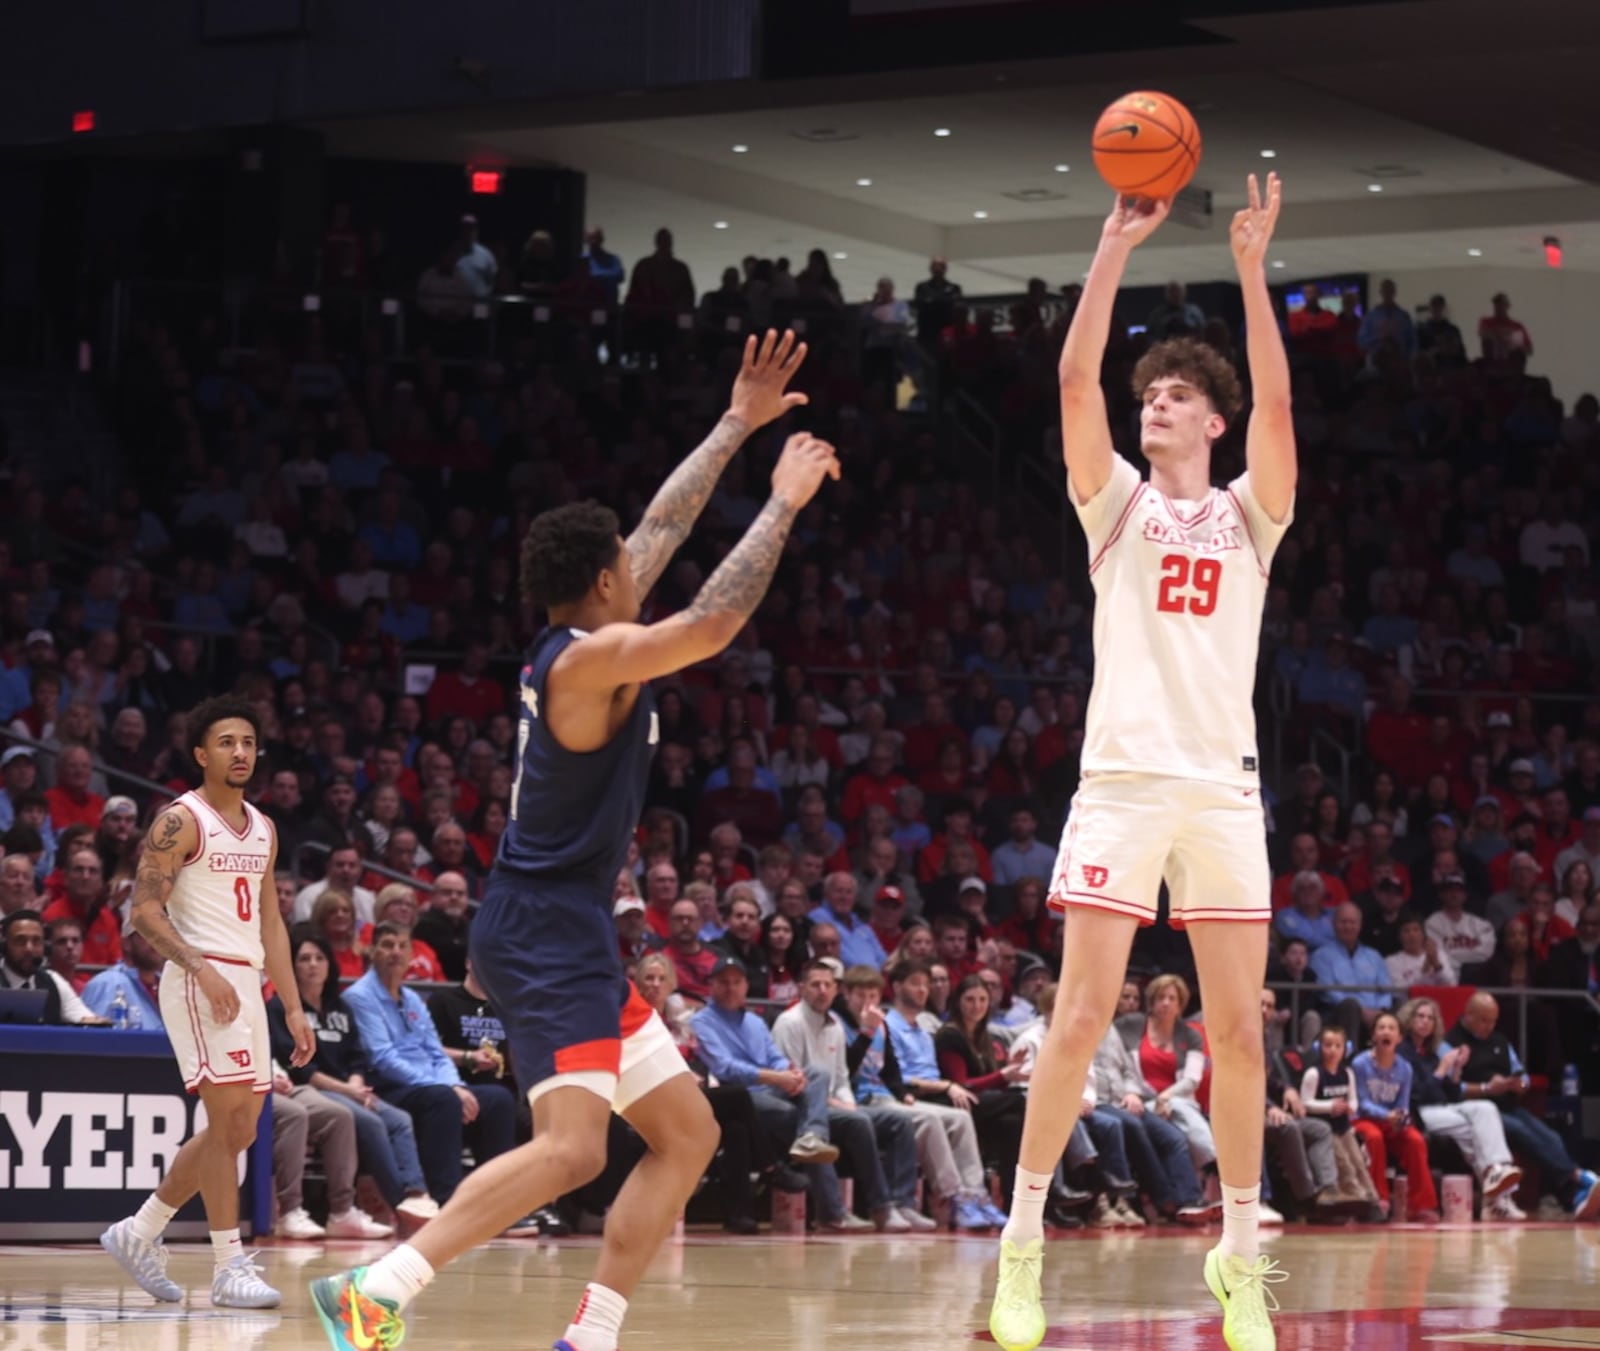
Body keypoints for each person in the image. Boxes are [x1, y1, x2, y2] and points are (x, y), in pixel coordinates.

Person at [312, 331, 837, 1351]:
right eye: (625, 567)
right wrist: (780, 501)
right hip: (544, 928)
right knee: (570, 1149)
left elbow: (664, 520)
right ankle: (380, 1285)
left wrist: (736, 420)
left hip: (566, 926)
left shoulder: (576, 635)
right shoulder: (588, 663)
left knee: (687, 1133)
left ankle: (590, 1332)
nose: (636, 562)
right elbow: (713, 621)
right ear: (606, 584)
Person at [987, 174, 1294, 1351]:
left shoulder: (1252, 513)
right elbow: (1073, 380)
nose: (1151, 406)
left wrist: (1253, 271)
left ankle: (1236, 1246)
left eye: (1171, 396)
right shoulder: (1110, 503)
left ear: (1208, 422)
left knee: (1240, 1034)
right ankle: (1021, 1242)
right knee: (1074, 1021)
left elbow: (1273, 399)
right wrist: (1108, 247)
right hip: (1120, 781)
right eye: (1148, 394)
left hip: (1221, 785)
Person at [100, 696, 315, 1311]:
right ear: (201, 753)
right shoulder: (180, 819)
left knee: (242, 1127)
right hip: (200, 978)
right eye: (227, 742)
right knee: (227, 1124)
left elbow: (272, 921)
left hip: (247, 982)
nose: (240, 752)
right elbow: (143, 912)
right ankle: (228, 1265)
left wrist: (293, 1008)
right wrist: (199, 967)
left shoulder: (265, 828)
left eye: (248, 742)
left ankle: (138, 1232)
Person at [772, 961, 923, 1231]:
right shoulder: (789, 1023)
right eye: (815, 984)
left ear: (835, 990)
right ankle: (877, 1208)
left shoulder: (835, 1026)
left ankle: (903, 1204)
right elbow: (791, 1081)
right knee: (858, 1123)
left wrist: (848, 1104)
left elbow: (842, 1079)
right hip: (800, 1104)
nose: (822, 990)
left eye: (827, 985)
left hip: (835, 1104)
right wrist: (839, 1105)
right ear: (802, 988)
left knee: (899, 1120)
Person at [1444, 992, 1600, 1220]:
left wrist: (1520, 1084)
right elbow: (1448, 1089)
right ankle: (1580, 1180)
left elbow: (1520, 1072)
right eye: (1484, 1020)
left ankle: (1575, 1194)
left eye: (1493, 1021)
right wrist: (1487, 1088)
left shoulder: (1500, 1041)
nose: (1489, 1026)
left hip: (1507, 1105)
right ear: (1468, 1015)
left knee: (1550, 1135)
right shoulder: (1449, 1043)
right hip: (1474, 1111)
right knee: (1519, 1130)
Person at [1396, 997, 1522, 1220]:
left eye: (1430, 1018)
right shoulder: (1403, 1052)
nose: (1425, 1022)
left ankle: (1495, 1178)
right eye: (1420, 1016)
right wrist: (1443, 1068)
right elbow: (1418, 1095)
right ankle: (1498, 1194)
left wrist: (1456, 1070)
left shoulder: (1431, 1053)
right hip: (1418, 1112)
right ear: (1409, 1019)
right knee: (1474, 1129)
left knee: (1485, 1108)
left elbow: (1453, 1094)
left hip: (1443, 1109)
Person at [1349, 1012, 1440, 1221]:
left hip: (1391, 1122)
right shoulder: (1360, 1063)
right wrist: (1385, 1114)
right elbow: (1362, 1102)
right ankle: (1378, 1200)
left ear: (1399, 1037)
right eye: (1381, 1028)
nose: (1386, 1032)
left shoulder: (1405, 1068)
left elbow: (1403, 1105)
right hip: (1364, 1119)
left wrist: (1400, 1118)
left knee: (1416, 1140)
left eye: (1391, 1028)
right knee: (1374, 1138)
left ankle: (1422, 1205)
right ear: (1373, 1036)